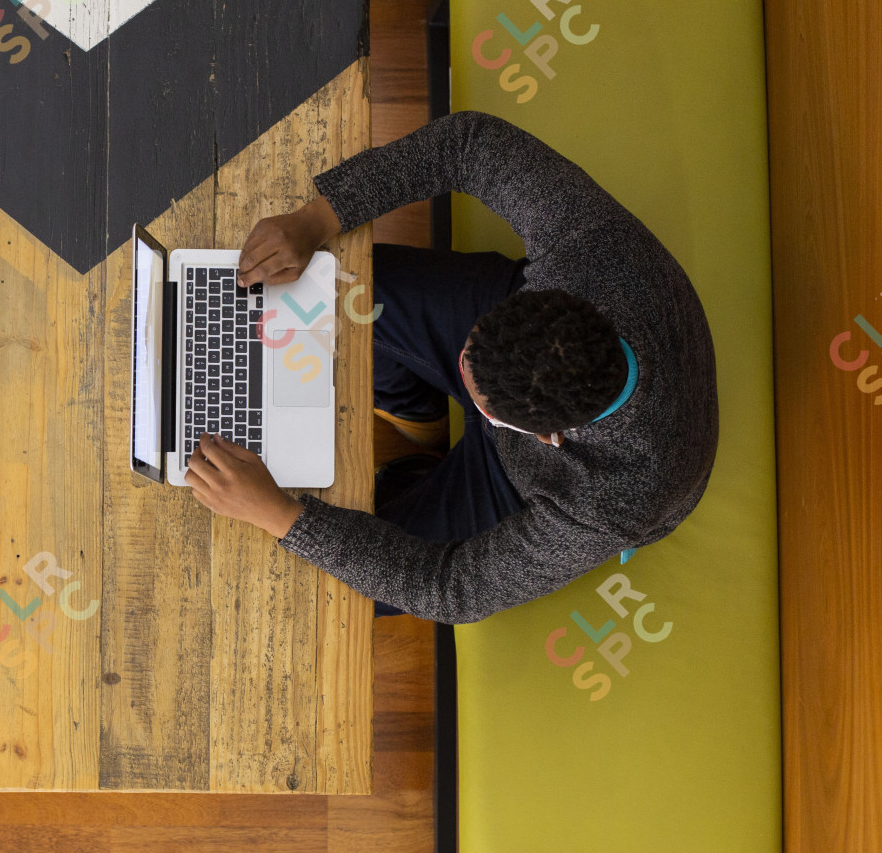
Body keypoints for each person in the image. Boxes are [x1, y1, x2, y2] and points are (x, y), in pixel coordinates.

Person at [183, 110, 718, 623]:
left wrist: (278, 514)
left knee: (334, 583)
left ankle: (420, 464)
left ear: (548, 436)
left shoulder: (612, 499)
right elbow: (470, 143)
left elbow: (453, 590)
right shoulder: (591, 252)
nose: (463, 359)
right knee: (341, 286)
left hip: (535, 484)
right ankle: (417, 415)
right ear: (553, 297)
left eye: (480, 393)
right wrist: (318, 217)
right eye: (471, 347)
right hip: (550, 357)